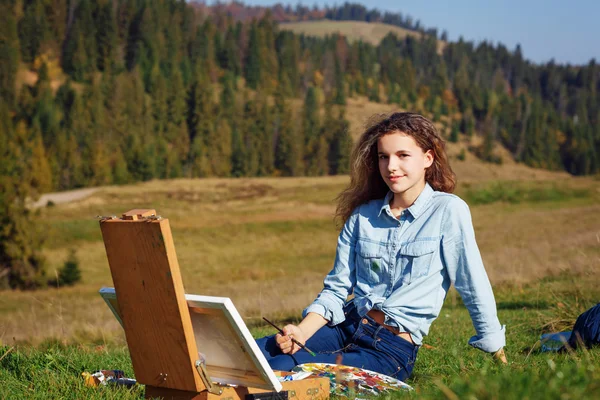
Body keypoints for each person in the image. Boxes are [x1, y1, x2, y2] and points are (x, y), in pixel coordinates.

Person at [256, 112, 507, 382]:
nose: (391, 166)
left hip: (389, 349)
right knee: (249, 350)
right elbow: (337, 289)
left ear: (428, 158)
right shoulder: (363, 215)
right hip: (346, 325)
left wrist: (496, 350)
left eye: (402, 155)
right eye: (383, 157)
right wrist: (302, 333)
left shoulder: (448, 210)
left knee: (282, 369)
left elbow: (472, 282)